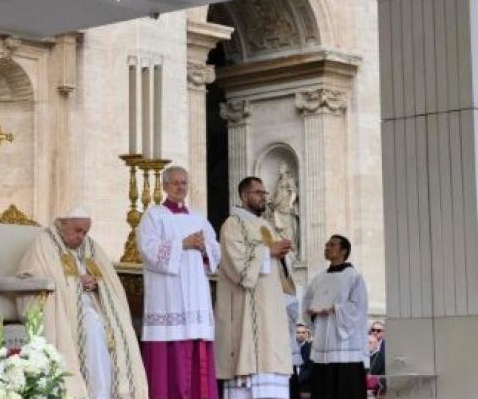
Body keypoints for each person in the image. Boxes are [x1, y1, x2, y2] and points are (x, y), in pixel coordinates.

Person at [16, 208, 148, 399]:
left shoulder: (89, 247)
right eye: (77, 230)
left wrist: (96, 284)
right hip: (59, 307)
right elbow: (35, 277)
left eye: (85, 232)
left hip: (92, 304)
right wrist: (76, 283)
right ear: (63, 223)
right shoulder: (45, 243)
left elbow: (109, 282)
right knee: (92, 327)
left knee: (118, 329)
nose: (81, 237)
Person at [138, 166, 221, 399]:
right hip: (168, 297)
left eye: (184, 183)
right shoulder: (154, 216)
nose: (180, 187)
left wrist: (205, 248)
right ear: (164, 186)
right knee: (171, 351)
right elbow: (147, 249)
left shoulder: (198, 218)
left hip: (196, 295)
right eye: (175, 183)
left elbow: (216, 251)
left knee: (198, 352)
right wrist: (181, 244)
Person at [216, 177, 294, 399]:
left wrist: (284, 254)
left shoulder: (266, 226)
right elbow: (237, 266)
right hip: (248, 312)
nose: (264, 197)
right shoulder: (233, 224)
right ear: (244, 196)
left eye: (264, 192)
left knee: (272, 363)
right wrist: (268, 252)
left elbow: (282, 271)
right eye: (258, 192)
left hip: (271, 313)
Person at [301, 235, 369, 399]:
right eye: (326, 244)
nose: (326, 247)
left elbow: (358, 308)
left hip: (345, 351)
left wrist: (334, 309)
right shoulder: (318, 278)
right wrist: (311, 312)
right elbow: (307, 302)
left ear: (343, 251)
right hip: (322, 348)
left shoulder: (354, 277)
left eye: (332, 244)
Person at [290, 324, 312, 399]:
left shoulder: (311, 348)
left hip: (306, 385)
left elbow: (310, 368)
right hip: (291, 385)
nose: (301, 335)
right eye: (298, 332)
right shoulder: (289, 348)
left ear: (306, 334)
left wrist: (299, 379)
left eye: (303, 332)